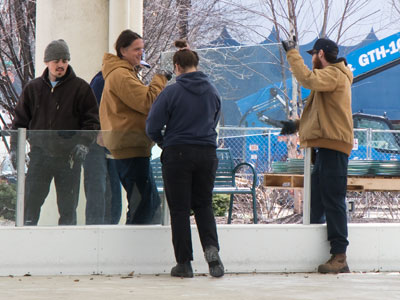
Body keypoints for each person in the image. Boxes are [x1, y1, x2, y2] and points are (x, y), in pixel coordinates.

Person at [146, 40, 224, 278]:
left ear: (177, 66)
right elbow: (214, 120)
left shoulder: (171, 91)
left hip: (178, 153)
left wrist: (163, 141)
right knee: (203, 205)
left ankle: (184, 264)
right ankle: (212, 253)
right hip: (207, 153)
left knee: (179, 209)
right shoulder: (213, 91)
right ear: (197, 65)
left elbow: (152, 126)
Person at [280, 37, 353, 273]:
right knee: (316, 203)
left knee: (332, 200)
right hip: (326, 148)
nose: (311, 59)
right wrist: (297, 126)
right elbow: (321, 115)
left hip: (333, 148)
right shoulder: (331, 78)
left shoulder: (333, 74)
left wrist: (292, 53)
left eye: (312, 54)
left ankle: (340, 257)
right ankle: (312, 252)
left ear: (320, 54)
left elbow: (307, 79)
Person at [11, 39, 100, 225]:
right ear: (47, 62)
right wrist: (15, 149)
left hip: (68, 158)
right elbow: (19, 122)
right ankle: (27, 243)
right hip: (39, 156)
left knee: (68, 209)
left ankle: (67, 248)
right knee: (30, 206)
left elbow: (92, 121)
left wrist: (83, 143)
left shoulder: (81, 88)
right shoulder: (32, 89)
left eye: (65, 60)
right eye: (56, 61)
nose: (61, 65)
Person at [99, 29, 170, 224]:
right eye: (137, 49)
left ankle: (142, 245)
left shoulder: (124, 73)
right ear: (122, 50)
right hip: (129, 148)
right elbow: (148, 102)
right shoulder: (121, 75)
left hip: (131, 146)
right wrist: (161, 76)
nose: (141, 53)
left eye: (142, 49)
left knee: (149, 203)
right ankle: (133, 247)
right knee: (142, 204)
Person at [84, 70, 122, 224]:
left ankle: (110, 232)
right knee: (99, 193)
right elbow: (91, 111)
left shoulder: (122, 80)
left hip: (114, 145)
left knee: (113, 196)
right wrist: (99, 130)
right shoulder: (103, 80)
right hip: (98, 144)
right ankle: (95, 237)